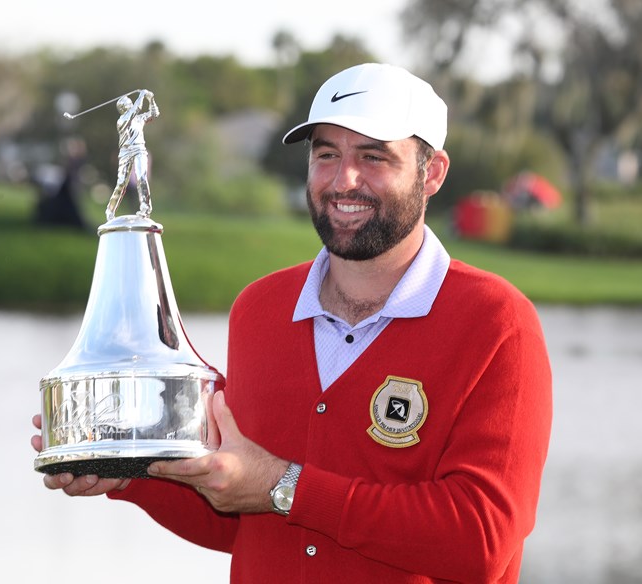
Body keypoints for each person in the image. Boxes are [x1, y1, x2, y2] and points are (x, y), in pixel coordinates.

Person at [32, 63, 552, 583]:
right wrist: (128, 472)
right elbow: (239, 520)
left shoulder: (497, 323)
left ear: (431, 172)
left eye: (374, 157)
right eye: (327, 154)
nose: (344, 179)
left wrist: (285, 486)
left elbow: (481, 541)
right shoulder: (261, 309)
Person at [105, 89, 159, 220]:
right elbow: (136, 108)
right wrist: (141, 95)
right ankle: (110, 211)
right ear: (123, 108)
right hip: (125, 152)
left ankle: (145, 209)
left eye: (130, 103)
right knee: (121, 183)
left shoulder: (139, 119)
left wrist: (151, 99)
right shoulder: (122, 120)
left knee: (142, 178)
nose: (130, 106)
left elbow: (154, 113)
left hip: (140, 149)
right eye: (127, 104)